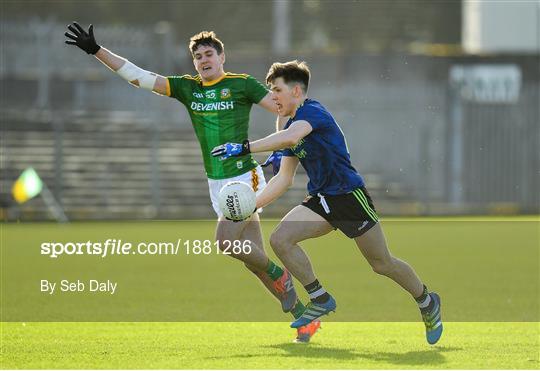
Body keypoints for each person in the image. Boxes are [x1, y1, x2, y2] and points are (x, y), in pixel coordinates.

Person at [64, 23, 320, 343]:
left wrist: (283, 145)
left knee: (226, 243)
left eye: (209, 54)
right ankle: (304, 318)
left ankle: (280, 276)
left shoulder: (241, 84)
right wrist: (96, 50)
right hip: (216, 183)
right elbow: (139, 77)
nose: (203, 60)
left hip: (244, 178)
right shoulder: (189, 88)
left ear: (222, 56)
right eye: (197, 56)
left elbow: (283, 107)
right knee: (251, 258)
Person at [211, 60, 443, 345]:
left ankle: (426, 300)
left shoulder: (313, 112)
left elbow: (291, 137)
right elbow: (283, 179)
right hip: (321, 200)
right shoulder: (288, 123)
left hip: (349, 197)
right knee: (281, 239)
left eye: (277, 90)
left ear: (296, 91)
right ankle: (319, 297)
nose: (272, 97)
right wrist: (251, 206)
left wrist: (244, 147)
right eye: (271, 91)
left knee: (382, 263)